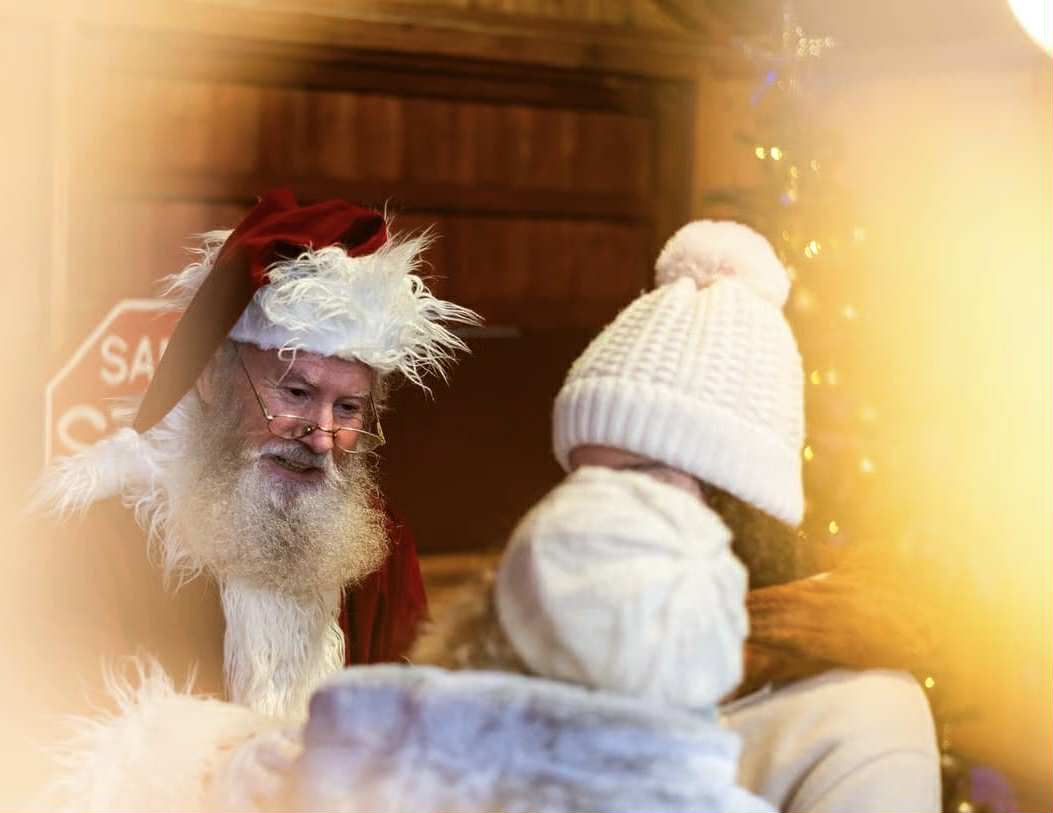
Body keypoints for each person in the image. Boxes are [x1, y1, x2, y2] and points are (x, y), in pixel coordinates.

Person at [414, 219, 941, 812]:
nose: (596, 511)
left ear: (737, 506)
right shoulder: (556, 654)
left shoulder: (863, 719)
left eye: (640, 482)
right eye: (581, 480)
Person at [32, 188, 479, 720]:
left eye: (350, 408)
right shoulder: (97, 536)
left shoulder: (379, 547)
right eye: (295, 394)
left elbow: (410, 726)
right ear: (211, 382)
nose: (321, 436)